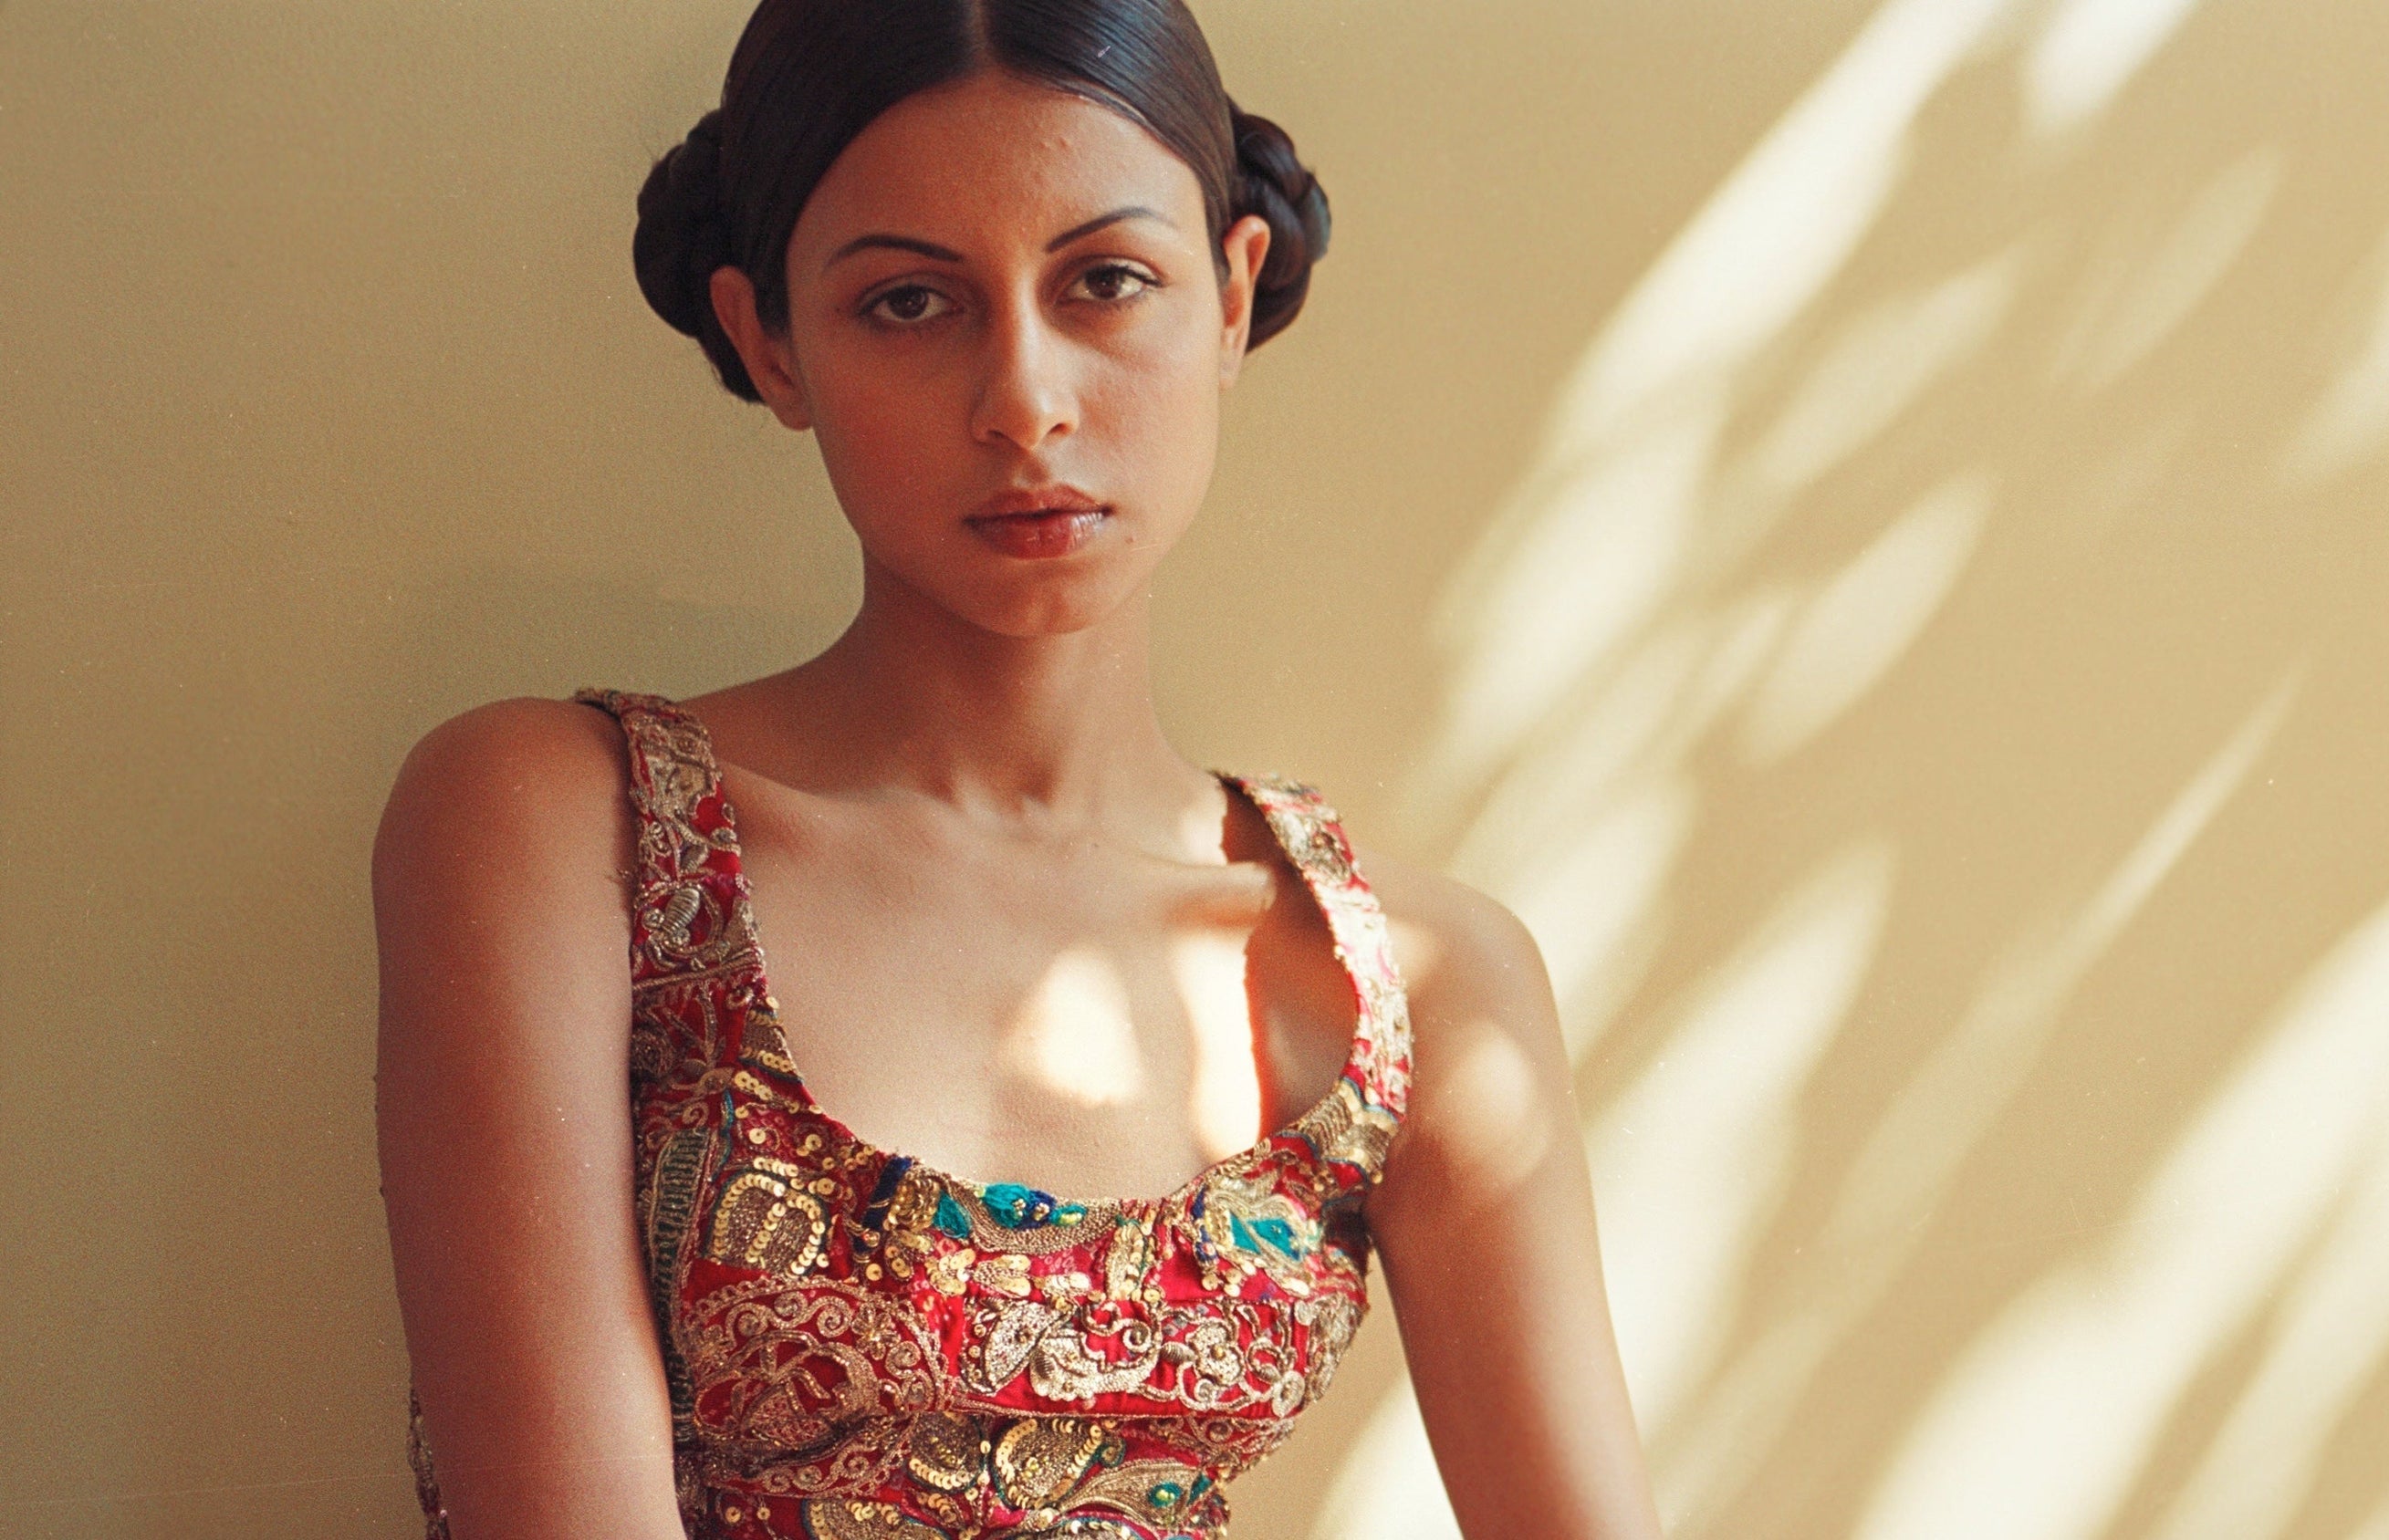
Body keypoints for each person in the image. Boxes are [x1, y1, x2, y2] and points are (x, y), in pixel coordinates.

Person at [369, 2, 1662, 1536]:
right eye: (911, 303)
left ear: (1231, 295)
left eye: (1106, 281)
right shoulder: (561, 827)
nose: (1025, 403)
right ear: (770, 343)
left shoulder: (1415, 984)